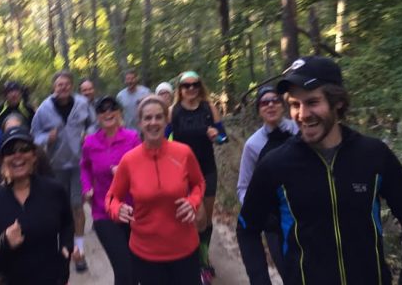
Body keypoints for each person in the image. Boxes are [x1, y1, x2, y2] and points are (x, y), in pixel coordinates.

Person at [237, 56, 402, 285]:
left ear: (337, 101)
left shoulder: (373, 155)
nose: (302, 114)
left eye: (312, 102)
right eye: (295, 105)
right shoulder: (275, 164)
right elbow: (247, 228)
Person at [106, 96, 205, 285]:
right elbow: (111, 198)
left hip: (185, 249)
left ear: (167, 120)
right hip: (146, 253)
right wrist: (117, 209)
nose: (153, 123)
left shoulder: (183, 153)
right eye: (148, 118)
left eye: (159, 117)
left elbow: (199, 183)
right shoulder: (129, 160)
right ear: (140, 123)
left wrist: (193, 202)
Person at [0, 126, 73, 285]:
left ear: (34, 155)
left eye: (24, 149)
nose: (17, 156)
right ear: (2, 159)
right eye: (10, 151)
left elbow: (67, 222)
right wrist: (2, 243)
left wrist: (66, 246)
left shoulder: (54, 191)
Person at [31, 70, 96, 273]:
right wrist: (45, 139)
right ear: (54, 87)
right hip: (55, 166)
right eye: (60, 85)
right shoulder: (44, 109)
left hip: (79, 163)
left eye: (67, 84)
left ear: (72, 86)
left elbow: (94, 124)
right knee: (57, 209)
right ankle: (58, 250)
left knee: (77, 207)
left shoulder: (82, 104)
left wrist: (89, 134)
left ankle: (79, 252)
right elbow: (34, 135)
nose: (63, 87)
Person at [169, 71, 227, 283]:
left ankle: (203, 256)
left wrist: (216, 136)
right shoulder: (173, 111)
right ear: (180, 89)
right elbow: (164, 138)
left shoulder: (209, 109)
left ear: (200, 86)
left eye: (195, 85)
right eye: (186, 86)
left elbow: (224, 137)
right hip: (181, 172)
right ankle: (195, 260)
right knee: (192, 216)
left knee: (205, 219)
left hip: (207, 169)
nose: (191, 89)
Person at [236, 85, 299, 279]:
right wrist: (258, 211)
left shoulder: (301, 129)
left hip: (308, 215)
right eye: (264, 102)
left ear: (283, 105)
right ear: (259, 110)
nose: (270, 105)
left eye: (275, 101)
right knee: (288, 272)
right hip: (275, 222)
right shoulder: (253, 145)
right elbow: (243, 187)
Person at [80, 95, 141, 285]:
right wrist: (87, 187)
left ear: (119, 112)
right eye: (102, 110)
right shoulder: (90, 142)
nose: (108, 113)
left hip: (133, 211)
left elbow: (143, 167)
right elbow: (84, 167)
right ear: (97, 117)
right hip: (103, 212)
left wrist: (125, 173)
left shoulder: (132, 138)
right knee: (123, 268)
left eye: (112, 108)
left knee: (136, 267)